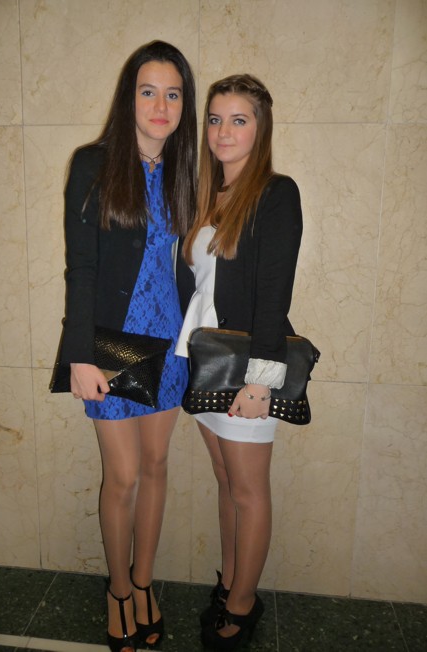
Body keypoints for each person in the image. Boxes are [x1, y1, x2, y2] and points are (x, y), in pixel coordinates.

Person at [57, 41, 197, 652]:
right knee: (123, 475)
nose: (161, 105)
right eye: (148, 91)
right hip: (112, 343)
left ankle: (144, 582)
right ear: (128, 97)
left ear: (184, 104)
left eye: (173, 93)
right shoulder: (93, 164)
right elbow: (81, 266)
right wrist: (80, 354)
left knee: (158, 467)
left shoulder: (187, 171)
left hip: (169, 340)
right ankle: (118, 590)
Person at [175, 74, 303, 650]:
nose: (223, 131)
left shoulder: (276, 193)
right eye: (215, 119)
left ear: (260, 127)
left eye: (238, 120)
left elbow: (275, 291)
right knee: (226, 480)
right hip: (205, 364)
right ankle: (230, 582)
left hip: (248, 370)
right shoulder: (207, 197)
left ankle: (244, 605)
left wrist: (261, 381)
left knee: (249, 491)